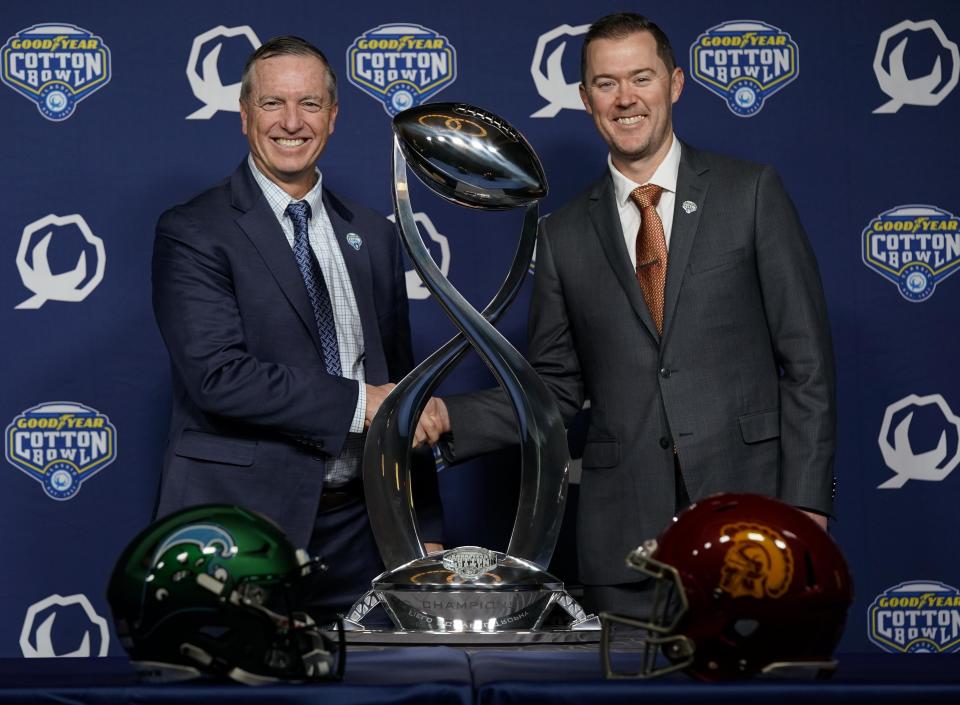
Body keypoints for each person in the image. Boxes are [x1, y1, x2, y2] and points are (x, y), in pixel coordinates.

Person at [421, 13, 835, 615]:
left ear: (675, 83)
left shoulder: (750, 194)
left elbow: (807, 365)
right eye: (606, 84)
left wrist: (806, 502)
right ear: (587, 99)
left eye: (640, 77)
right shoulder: (561, 235)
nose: (625, 99)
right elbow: (555, 392)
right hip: (624, 541)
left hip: (751, 520)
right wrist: (444, 415)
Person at [151, 36, 441, 624]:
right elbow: (218, 377)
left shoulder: (373, 234)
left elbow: (400, 392)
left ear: (332, 117)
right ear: (243, 115)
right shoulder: (193, 230)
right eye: (271, 104)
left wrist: (423, 527)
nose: (291, 122)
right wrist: (362, 404)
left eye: (309, 104)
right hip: (238, 530)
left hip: (364, 530)